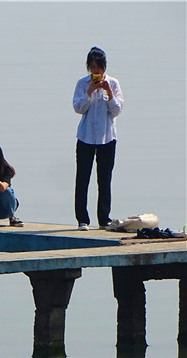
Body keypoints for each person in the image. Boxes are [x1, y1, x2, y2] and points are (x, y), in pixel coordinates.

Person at [72, 47, 123, 231]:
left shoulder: (113, 83)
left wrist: (109, 93)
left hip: (107, 138)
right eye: (92, 67)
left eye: (99, 67)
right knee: (82, 178)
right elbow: (78, 108)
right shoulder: (82, 83)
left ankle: (104, 218)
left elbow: (116, 111)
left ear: (104, 67)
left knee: (105, 179)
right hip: (85, 137)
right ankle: (82, 219)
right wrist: (89, 92)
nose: (96, 71)